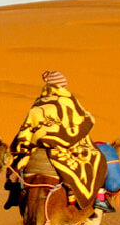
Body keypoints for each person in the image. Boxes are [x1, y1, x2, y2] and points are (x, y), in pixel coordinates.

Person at [7, 71, 110, 213]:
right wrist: (90, 119)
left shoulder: (38, 103)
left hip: (36, 147)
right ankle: (96, 198)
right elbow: (81, 123)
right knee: (96, 159)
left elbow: (26, 130)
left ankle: (14, 193)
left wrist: (23, 148)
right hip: (61, 147)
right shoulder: (67, 101)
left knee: (16, 164)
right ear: (62, 86)